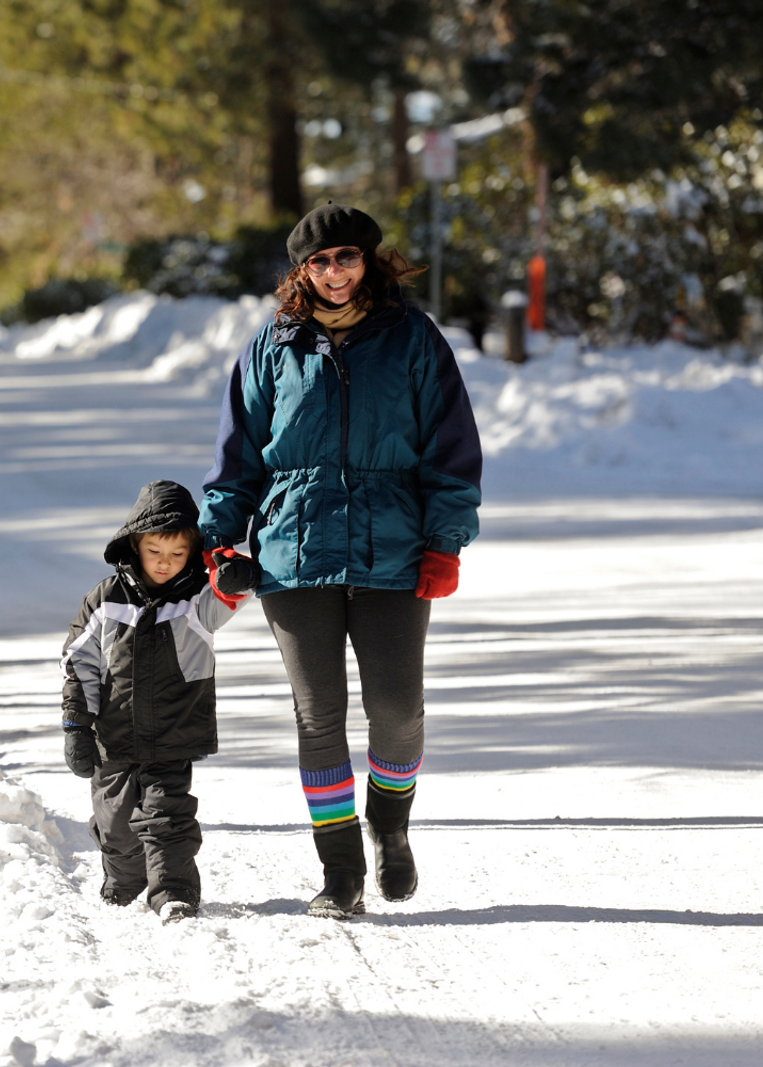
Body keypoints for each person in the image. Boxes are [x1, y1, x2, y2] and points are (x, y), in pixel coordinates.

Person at [199, 202, 483, 919]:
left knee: (395, 708)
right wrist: (218, 538)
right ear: (302, 270)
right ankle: (341, 869)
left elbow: (452, 448)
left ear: (370, 261)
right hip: (293, 552)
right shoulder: (272, 347)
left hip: (394, 547)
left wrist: (445, 539)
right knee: (318, 716)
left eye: (346, 258)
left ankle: (390, 824)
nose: (333, 273)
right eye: (319, 262)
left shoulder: (413, 339)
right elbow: (238, 457)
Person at [59, 480, 260, 924]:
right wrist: (77, 726)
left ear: (192, 553)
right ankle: (124, 880)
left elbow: (230, 594)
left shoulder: (195, 601)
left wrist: (236, 573)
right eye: (155, 552)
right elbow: (79, 663)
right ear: (134, 545)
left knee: (166, 817)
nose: (165, 564)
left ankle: (173, 892)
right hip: (113, 734)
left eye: (177, 554)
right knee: (116, 824)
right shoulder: (106, 599)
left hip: (174, 732)